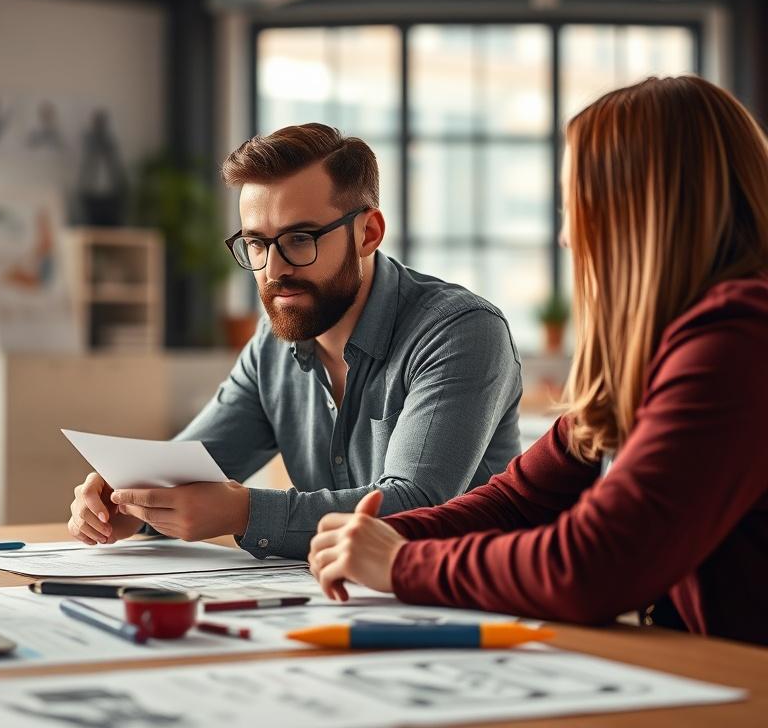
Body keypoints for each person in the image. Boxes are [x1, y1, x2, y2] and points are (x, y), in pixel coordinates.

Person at [307, 76, 768, 646]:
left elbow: (596, 565)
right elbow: (520, 502)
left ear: (635, 215)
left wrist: (401, 564)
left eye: (576, 205)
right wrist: (377, 538)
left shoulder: (738, 341)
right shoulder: (660, 353)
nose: (567, 237)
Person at [68, 123, 523, 559]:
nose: (272, 270)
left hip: (464, 608)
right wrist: (127, 502)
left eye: (299, 239)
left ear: (368, 233)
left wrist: (243, 512)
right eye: (257, 243)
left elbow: (414, 508)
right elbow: (182, 476)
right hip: (332, 599)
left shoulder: (461, 332)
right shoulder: (272, 346)